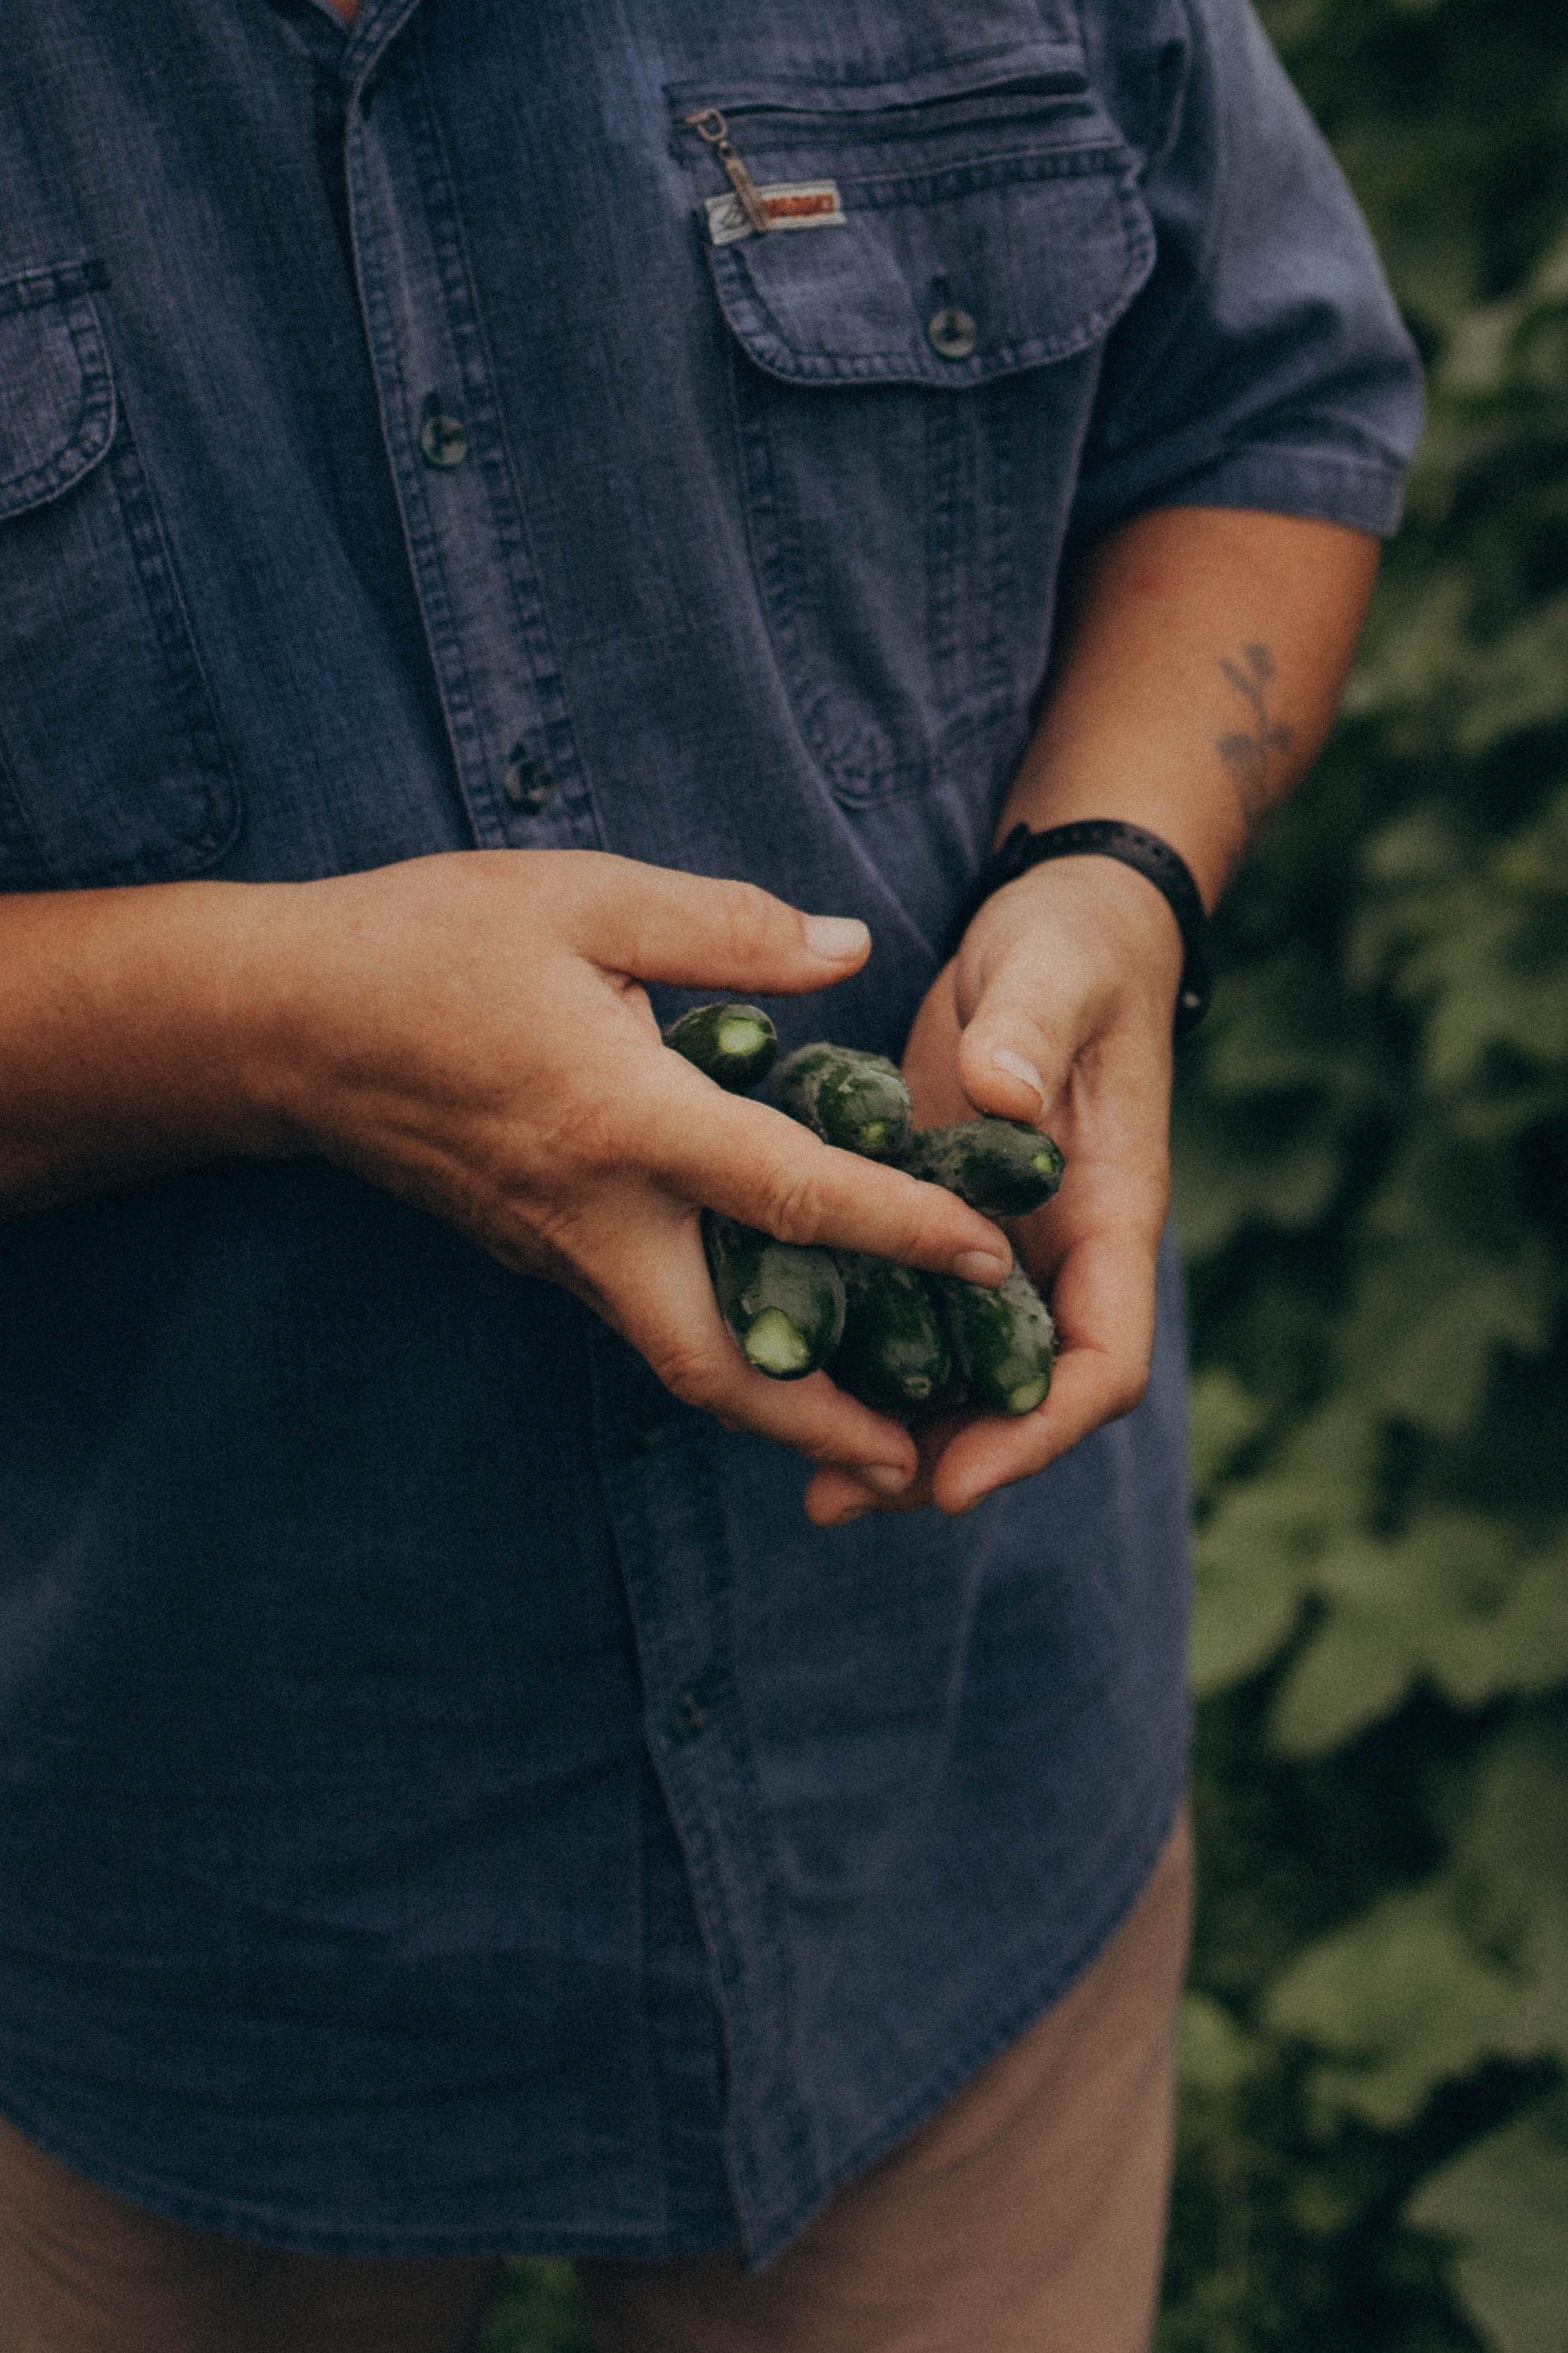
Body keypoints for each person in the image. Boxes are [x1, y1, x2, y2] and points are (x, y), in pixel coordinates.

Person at [0, 0, 1420, 2346]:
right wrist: (262, 1027)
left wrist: (1110, 877)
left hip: (955, 1766)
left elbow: (1262, 407)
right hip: (154, 1870)